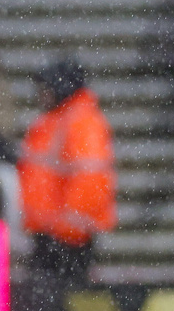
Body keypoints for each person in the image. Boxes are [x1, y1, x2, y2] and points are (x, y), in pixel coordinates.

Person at [18, 59, 117, 285]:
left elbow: (90, 174)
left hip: (66, 236)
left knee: (64, 301)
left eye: (46, 87)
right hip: (51, 231)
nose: (41, 94)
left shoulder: (80, 120)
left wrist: (72, 222)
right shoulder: (60, 119)